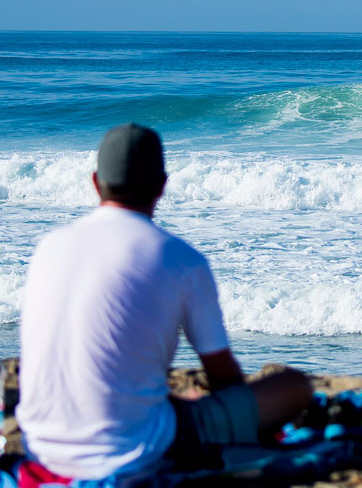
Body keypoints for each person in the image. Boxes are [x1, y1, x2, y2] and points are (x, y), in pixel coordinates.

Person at [16, 123, 312, 482]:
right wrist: (232, 410)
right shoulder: (180, 258)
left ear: (95, 182)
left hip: (40, 446)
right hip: (131, 450)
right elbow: (222, 376)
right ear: (162, 185)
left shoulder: (49, 247)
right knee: (293, 386)